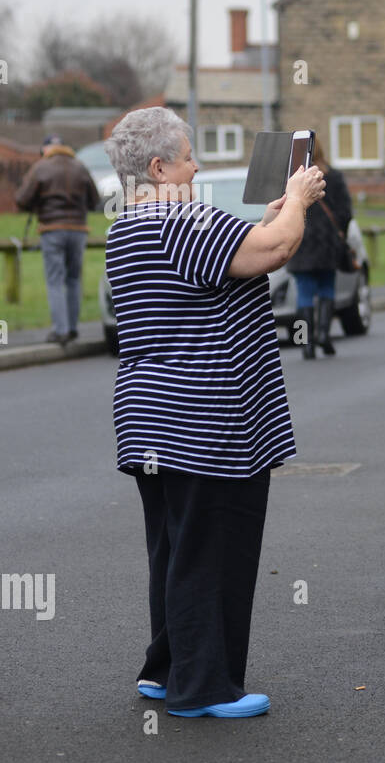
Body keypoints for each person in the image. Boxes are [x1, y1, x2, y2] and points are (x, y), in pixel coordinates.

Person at [105, 106, 325, 716]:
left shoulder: (129, 226)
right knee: (213, 550)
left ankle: (167, 668)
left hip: (151, 420)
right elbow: (276, 250)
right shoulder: (184, 221)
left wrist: (273, 214)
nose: (196, 165)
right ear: (158, 166)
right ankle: (203, 688)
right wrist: (300, 197)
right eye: (188, 155)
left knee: (175, 548)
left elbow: (241, 252)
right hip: (208, 421)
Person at [14, 134, 99, 344]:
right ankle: (72, 328)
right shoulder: (80, 167)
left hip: (52, 230)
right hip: (78, 230)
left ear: (45, 151)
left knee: (55, 280)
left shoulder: (41, 168)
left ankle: (60, 330)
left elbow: (21, 199)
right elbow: (95, 201)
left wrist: (39, 204)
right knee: (73, 279)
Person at [286, 137, 354, 359]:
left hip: (301, 241)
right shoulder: (333, 176)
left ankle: (306, 344)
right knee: (327, 288)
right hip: (328, 242)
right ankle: (323, 335)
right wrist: (340, 231)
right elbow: (345, 211)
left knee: (304, 294)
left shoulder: (292, 178)